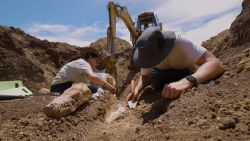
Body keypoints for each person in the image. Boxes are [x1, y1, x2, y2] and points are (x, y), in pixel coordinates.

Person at [127, 27, 224, 102]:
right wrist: (137, 90)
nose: (149, 63)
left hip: (185, 73)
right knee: (156, 78)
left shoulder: (181, 42)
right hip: (160, 78)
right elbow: (145, 77)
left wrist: (185, 82)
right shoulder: (146, 52)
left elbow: (215, 63)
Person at [50, 47, 116, 94]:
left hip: (59, 87)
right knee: (98, 91)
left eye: (99, 63)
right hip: (59, 87)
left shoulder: (84, 65)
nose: (98, 64)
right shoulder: (83, 63)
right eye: (97, 61)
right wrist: (109, 87)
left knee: (91, 89)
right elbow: (92, 78)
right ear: (90, 56)